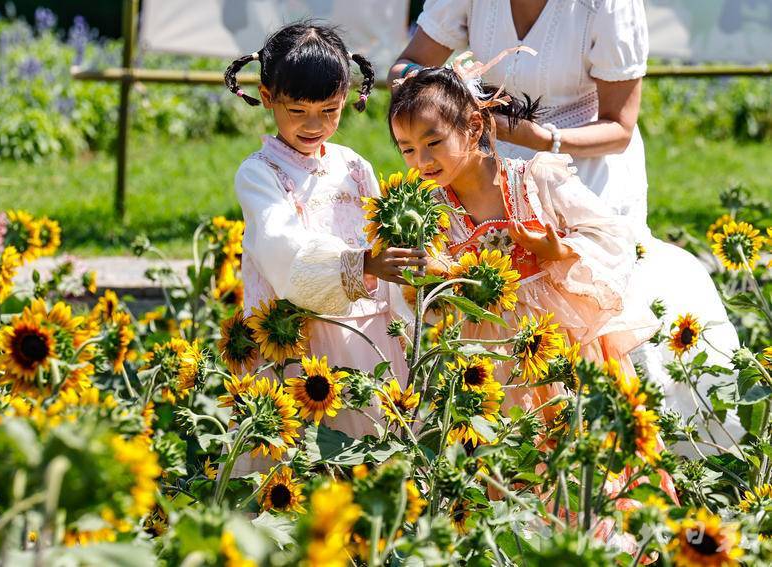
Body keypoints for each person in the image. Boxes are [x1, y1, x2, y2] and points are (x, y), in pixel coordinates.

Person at [388, 0, 743, 451]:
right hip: (474, 154)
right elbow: (410, 62)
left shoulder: (607, 7)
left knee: (590, 309)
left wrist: (539, 140)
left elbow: (620, 126)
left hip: (582, 163)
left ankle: (628, 429)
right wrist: (434, 98)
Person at [389, 62, 657, 426]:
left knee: (580, 449)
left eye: (433, 143)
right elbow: (426, 297)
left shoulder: (535, 180)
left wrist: (558, 250)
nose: (421, 161)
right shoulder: (430, 211)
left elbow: (610, 234)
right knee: (511, 456)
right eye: (407, 150)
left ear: (473, 127)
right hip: (486, 363)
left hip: (558, 346)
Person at [224, 22, 426, 473]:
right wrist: (363, 266)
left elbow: (382, 234)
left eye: (330, 110)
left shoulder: (354, 167)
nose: (315, 125)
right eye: (298, 110)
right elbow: (282, 249)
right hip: (299, 344)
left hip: (368, 338)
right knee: (297, 466)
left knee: (370, 457)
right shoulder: (259, 174)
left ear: (349, 96)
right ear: (268, 95)